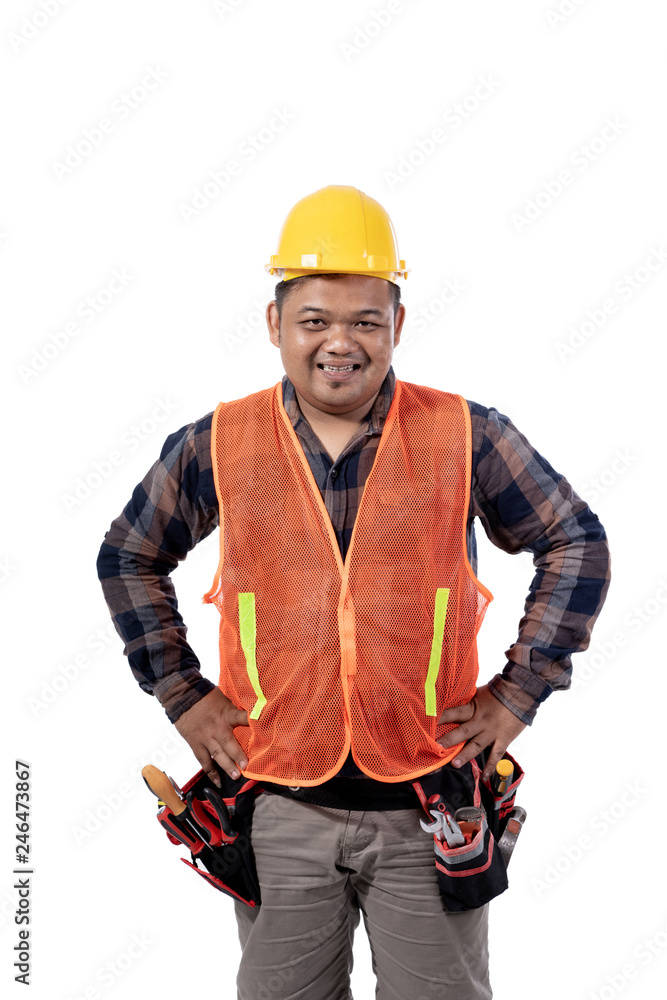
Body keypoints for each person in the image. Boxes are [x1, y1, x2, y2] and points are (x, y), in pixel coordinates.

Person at [97, 185, 611, 999]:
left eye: (365, 321)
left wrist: (518, 693)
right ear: (274, 324)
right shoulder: (216, 443)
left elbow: (574, 542)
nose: (339, 343)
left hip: (430, 800)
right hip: (277, 799)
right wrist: (181, 694)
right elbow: (129, 555)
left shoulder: (467, 434)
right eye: (314, 321)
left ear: (396, 325)